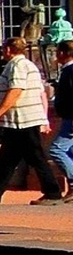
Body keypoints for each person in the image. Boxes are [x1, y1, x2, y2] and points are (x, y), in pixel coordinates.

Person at [0, 37, 69, 205]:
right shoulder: (29, 65)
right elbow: (41, 93)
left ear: (8, 50)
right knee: (8, 158)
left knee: (35, 157)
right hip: (19, 120)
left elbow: (16, 90)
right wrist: (43, 118)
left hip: (22, 120)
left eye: (3, 49)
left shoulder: (17, 66)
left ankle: (52, 192)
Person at [50, 41, 73, 186]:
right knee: (70, 151)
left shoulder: (69, 71)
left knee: (56, 150)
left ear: (63, 53)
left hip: (71, 117)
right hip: (68, 116)